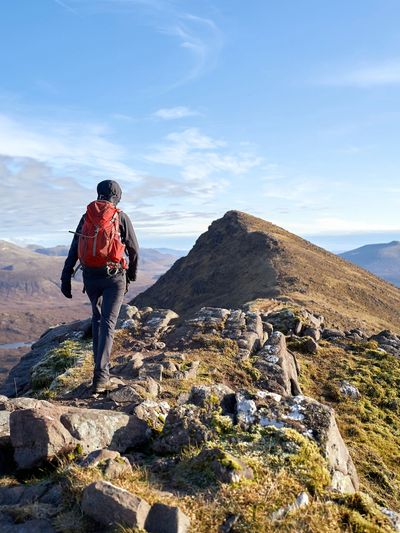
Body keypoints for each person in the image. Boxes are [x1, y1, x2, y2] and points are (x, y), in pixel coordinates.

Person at [60, 179, 139, 393]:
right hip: (114, 276)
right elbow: (133, 250)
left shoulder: (86, 217)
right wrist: (130, 274)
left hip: (90, 276)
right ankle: (101, 376)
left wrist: (65, 276)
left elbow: (75, 247)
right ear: (117, 196)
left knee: (97, 320)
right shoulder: (120, 216)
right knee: (108, 323)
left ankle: (99, 373)